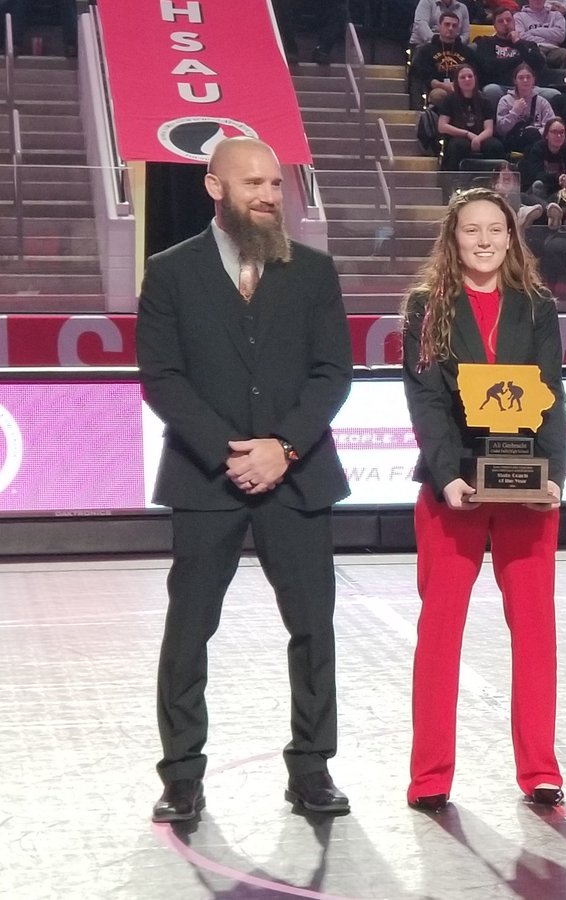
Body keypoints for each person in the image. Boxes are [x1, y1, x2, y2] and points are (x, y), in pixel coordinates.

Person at [137, 137, 353, 823]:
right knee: (189, 630)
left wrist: (282, 448)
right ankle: (181, 775)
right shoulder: (169, 273)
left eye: (274, 183)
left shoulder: (314, 272)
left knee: (313, 628)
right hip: (207, 478)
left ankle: (312, 768)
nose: (267, 193)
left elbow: (331, 374)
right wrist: (233, 453)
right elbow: (163, 379)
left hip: (299, 476)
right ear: (215, 188)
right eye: (253, 182)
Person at [400, 188, 566, 812]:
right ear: (453, 238)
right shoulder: (427, 306)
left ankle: (541, 771)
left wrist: (555, 476)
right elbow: (427, 401)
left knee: (536, 634)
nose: (484, 240)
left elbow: (551, 392)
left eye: (494, 229)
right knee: (440, 634)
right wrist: (448, 478)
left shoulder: (537, 306)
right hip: (456, 492)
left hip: (527, 492)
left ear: (510, 236)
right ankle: (430, 777)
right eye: (471, 230)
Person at [437, 65, 506, 172]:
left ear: (475, 78)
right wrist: (467, 134)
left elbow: (489, 129)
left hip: (481, 136)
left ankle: (493, 181)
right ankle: (454, 183)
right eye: (463, 77)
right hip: (458, 136)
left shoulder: (485, 100)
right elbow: (442, 126)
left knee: (495, 146)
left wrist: (477, 139)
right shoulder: (449, 99)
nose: (467, 80)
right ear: (457, 81)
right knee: (457, 146)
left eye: (470, 76)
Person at [496, 64, 557, 153]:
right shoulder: (505, 100)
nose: (525, 80)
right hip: (512, 142)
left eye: (528, 77)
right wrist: (514, 112)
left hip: (537, 143)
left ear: (533, 80)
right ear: (515, 81)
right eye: (521, 78)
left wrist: (536, 132)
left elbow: (551, 126)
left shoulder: (542, 102)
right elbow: (501, 130)